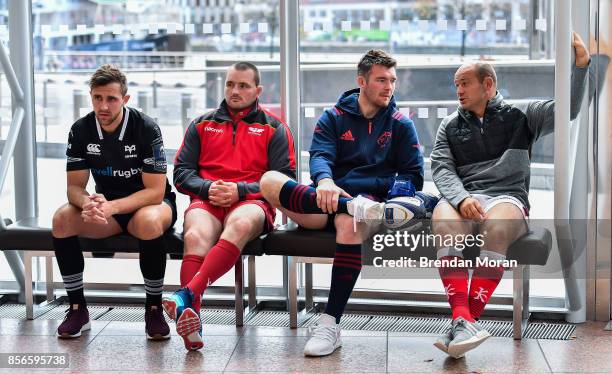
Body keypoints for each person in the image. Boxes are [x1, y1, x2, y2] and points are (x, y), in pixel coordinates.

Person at [429, 32, 591, 358]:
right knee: (443, 220)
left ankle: (465, 319)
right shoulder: (449, 125)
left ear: (487, 85)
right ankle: (463, 319)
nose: (458, 90)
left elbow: (569, 110)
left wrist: (581, 66)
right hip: (465, 196)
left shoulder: (524, 114)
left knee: (497, 228)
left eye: (464, 83)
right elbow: (442, 170)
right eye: (455, 84)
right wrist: (461, 199)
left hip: (508, 197)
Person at [260, 49, 424, 357]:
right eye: (381, 80)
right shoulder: (333, 116)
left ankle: (331, 323)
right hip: (326, 198)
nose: (389, 87)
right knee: (269, 180)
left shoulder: (401, 124)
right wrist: (325, 181)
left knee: (351, 224)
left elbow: (413, 178)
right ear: (362, 81)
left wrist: (366, 189)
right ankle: (346, 204)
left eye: (392, 80)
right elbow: (320, 155)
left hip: (367, 203)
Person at [164, 62, 296, 351]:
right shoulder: (201, 124)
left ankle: (187, 296)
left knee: (240, 224)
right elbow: (181, 174)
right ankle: (192, 321)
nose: (235, 91)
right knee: (195, 235)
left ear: (258, 90)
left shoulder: (274, 128)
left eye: (243, 86)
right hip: (208, 198)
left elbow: (286, 181)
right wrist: (208, 188)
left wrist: (240, 190)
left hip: (253, 202)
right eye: (230, 84)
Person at [52, 64, 177, 340]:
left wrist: (111, 207)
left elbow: (155, 192)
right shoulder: (81, 129)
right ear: (91, 97)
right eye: (98, 98)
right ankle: (77, 309)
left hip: (150, 206)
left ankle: (153, 308)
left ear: (125, 99)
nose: (103, 106)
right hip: (108, 209)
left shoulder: (145, 128)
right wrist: (87, 203)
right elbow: (74, 187)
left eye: (111, 99)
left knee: (148, 221)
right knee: (62, 219)